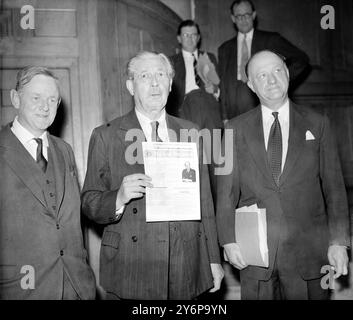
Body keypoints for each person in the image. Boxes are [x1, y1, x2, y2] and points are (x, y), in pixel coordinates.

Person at [81, 51, 224, 300]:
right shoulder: (106, 135)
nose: (155, 83)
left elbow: (205, 203)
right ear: (130, 86)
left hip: (185, 263)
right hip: (132, 265)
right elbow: (89, 202)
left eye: (161, 75)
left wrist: (213, 259)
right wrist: (118, 197)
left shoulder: (192, 132)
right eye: (145, 76)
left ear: (170, 84)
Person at [216, 50, 350, 299]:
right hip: (255, 256)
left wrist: (338, 241)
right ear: (251, 85)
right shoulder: (234, 129)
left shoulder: (319, 124)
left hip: (310, 254)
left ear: (288, 73)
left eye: (277, 70)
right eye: (261, 75)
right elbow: (226, 192)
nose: (271, 80)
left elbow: (335, 189)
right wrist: (228, 240)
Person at [0, 66, 96, 299]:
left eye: (52, 99)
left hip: (75, 287)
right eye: (36, 98)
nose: (45, 106)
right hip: (19, 289)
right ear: (15, 99)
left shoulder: (64, 150)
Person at [218, 0, 309, 121]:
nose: (243, 19)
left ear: (254, 15)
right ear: (233, 18)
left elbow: (301, 59)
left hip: (263, 108)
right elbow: (223, 86)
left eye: (247, 15)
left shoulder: (271, 40)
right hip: (235, 113)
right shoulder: (225, 48)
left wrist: (281, 79)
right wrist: (224, 117)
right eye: (238, 16)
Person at [168, 20, 223, 199]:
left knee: (213, 162)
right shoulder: (171, 61)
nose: (190, 38)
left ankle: (214, 202)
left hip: (209, 110)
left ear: (198, 38)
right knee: (191, 163)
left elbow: (220, 89)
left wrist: (214, 90)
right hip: (185, 111)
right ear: (179, 38)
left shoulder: (210, 58)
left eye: (193, 35)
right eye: (186, 35)